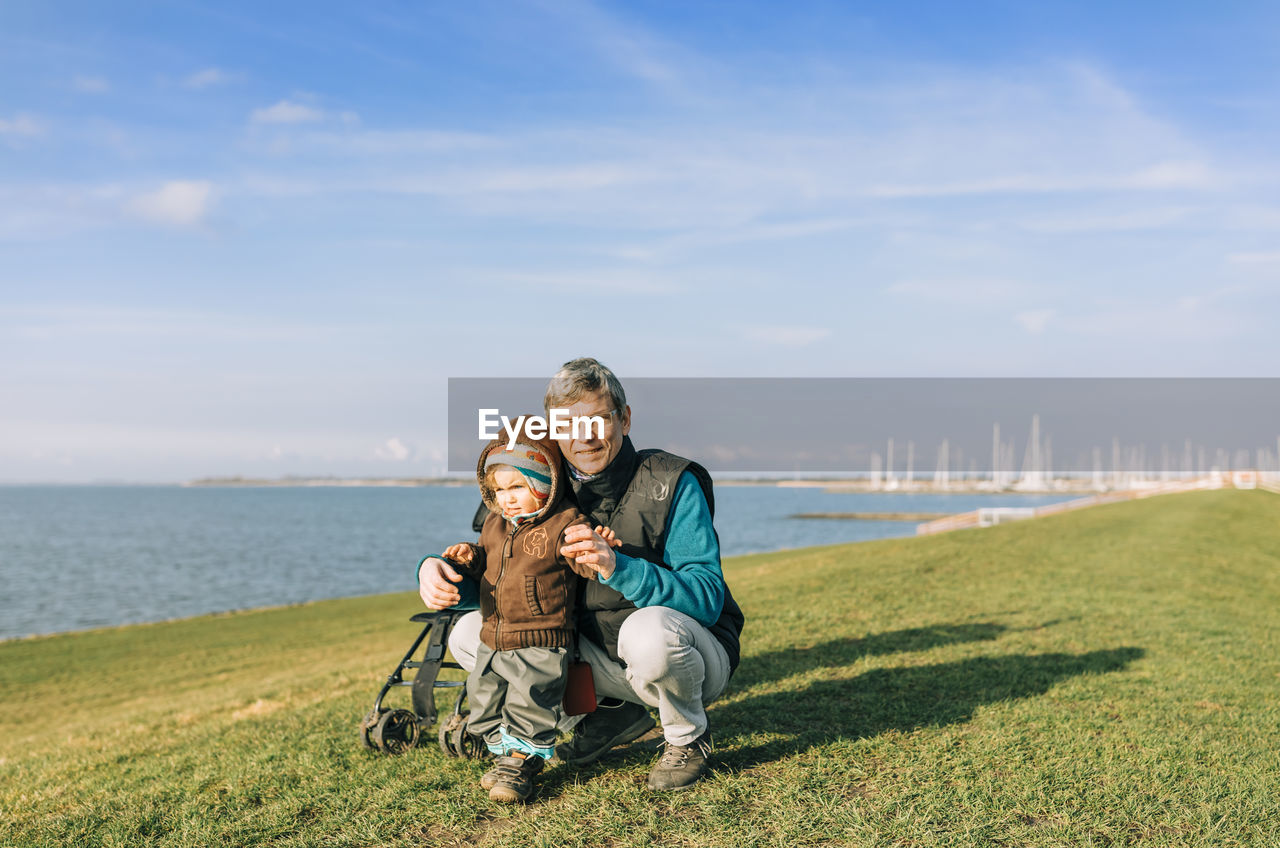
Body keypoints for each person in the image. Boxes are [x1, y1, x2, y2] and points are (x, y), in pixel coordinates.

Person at [420, 358, 746, 791]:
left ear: (624, 419)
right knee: (470, 632)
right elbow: (506, 583)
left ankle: (688, 738)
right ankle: (606, 713)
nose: (584, 437)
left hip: (687, 657)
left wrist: (620, 567)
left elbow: (707, 599)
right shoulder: (534, 483)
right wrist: (437, 572)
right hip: (590, 659)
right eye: (566, 426)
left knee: (649, 631)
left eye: (596, 420)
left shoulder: (672, 481)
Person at [436, 430, 600, 803]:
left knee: (530, 704)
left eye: (516, 488)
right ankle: (506, 756)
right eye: (499, 491)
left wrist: (595, 549)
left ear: (544, 484)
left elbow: (585, 563)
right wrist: (469, 557)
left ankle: (519, 765)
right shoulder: (496, 524)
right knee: (483, 701)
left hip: (541, 637)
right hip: (494, 635)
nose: (506, 499)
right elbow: (487, 561)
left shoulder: (565, 522)